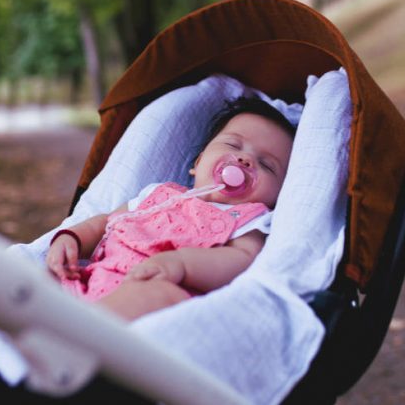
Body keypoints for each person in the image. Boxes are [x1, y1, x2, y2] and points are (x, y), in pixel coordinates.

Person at [45, 97, 295, 320]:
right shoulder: (159, 194)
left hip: (159, 294)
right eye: (233, 145)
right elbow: (106, 223)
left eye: (266, 164)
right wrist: (73, 238)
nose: (245, 159)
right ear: (198, 163)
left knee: (158, 295)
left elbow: (243, 260)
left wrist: (181, 265)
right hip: (91, 281)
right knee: (43, 278)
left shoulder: (249, 220)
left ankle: (76, 336)